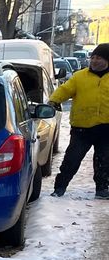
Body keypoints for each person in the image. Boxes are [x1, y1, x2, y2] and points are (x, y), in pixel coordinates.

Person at [49, 43, 109, 198]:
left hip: (106, 128)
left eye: (99, 58)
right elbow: (65, 89)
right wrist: (54, 100)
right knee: (72, 159)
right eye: (93, 57)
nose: (94, 61)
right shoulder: (80, 76)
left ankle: (102, 189)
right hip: (82, 127)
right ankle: (59, 188)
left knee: (104, 161)